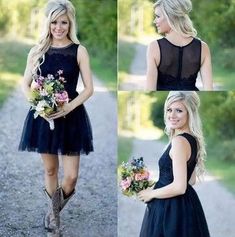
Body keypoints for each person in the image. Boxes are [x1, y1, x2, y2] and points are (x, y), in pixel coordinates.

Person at [18, 0, 93, 235]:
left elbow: (89, 89)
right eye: (54, 22)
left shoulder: (79, 51)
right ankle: (54, 218)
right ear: (47, 23)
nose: (58, 27)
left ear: (70, 23)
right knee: (50, 170)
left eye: (63, 22)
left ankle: (51, 213)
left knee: (71, 177)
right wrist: (38, 104)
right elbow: (25, 83)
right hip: (43, 117)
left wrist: (68, 107)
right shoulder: (37, 50)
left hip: (70, 116)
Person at [138, 91, 210, 237]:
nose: (172, 115)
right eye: (169, 110)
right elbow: (191, 179)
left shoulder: (179, 142)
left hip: (171, 209)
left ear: (190, 113)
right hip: (186, 206)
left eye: (179, 110)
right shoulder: (192, 140)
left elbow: (179, 186)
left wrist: (151, 193)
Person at [146, 0, 213, 91]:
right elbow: (209, 89)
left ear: (170, 17)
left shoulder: (154, 47)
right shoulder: (203, 47)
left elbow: (150, 89)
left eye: (158, 16)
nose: (155, 21)